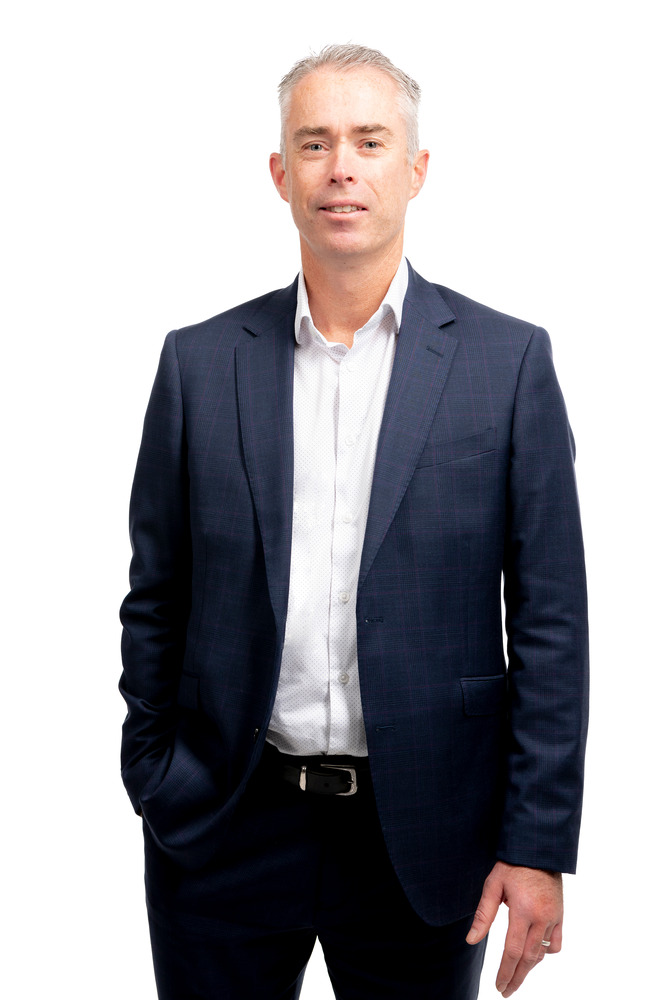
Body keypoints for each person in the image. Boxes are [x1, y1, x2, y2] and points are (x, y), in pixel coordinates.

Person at [119, 43, 588, 1000]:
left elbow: (550, 624)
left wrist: (536, 844)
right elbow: (155, 595)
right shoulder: (198, 365)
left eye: (370, 142)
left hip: (426, 832)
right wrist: (155, 775)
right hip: (222, 825)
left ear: (415, 170)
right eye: (315, 142)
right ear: (279, 173)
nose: (342, 167)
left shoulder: (506, 365)